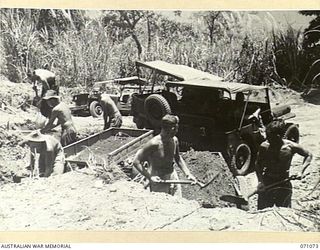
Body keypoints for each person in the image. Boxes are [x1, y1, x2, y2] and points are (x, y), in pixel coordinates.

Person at [133, 114, 196, 197]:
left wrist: (188, 174)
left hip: (172, 176)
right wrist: (150, 177)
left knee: (177, 204)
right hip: (158, 180)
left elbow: (178, 158)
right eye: (176, 128)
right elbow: (136, 162)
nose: (177, 131)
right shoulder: (154, 144)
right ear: (171, 129)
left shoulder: (174, 140)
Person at [255, 120, 312, 210]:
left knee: (284, 212)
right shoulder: (264, 147)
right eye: (267, 136)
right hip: (267, 182)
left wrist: (301, 171)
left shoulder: (290, 147)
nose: (268, 139)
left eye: (270, 137)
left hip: (284, 182)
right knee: (262, 211)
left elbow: (308, 155)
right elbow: (258, 164)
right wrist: (260, 181)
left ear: (279, 136)